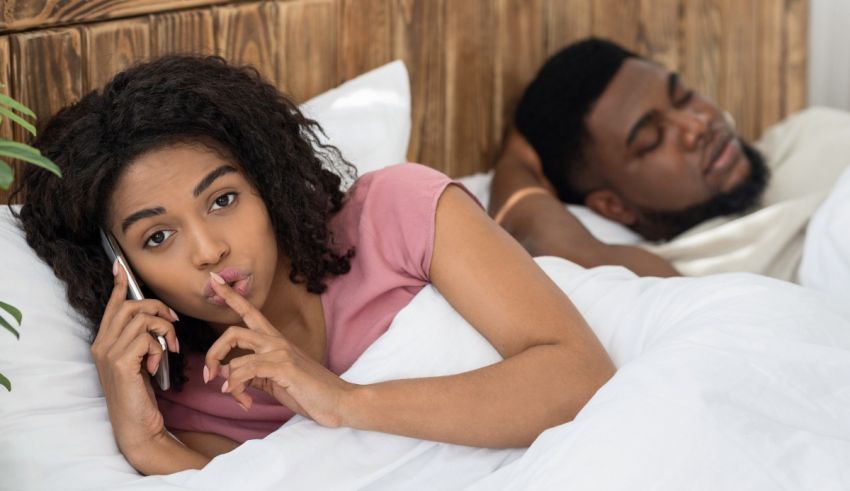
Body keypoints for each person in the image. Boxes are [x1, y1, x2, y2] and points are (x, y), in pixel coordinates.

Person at [9, 55, 614, 475]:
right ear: (119, 268)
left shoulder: (398, 212)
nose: (208, 250)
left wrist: (344, 402)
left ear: (267, 184)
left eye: (223, 200)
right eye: (159, 236)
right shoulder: (193, 398)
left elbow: (579, 376)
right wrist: (146, 444)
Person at [490, 37, 850, 281]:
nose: (697, 126)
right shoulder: (681, 272)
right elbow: (545, 241)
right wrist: (515, 158)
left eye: (684, 97)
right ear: (613, 207)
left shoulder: (804, 133)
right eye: (652, 139)